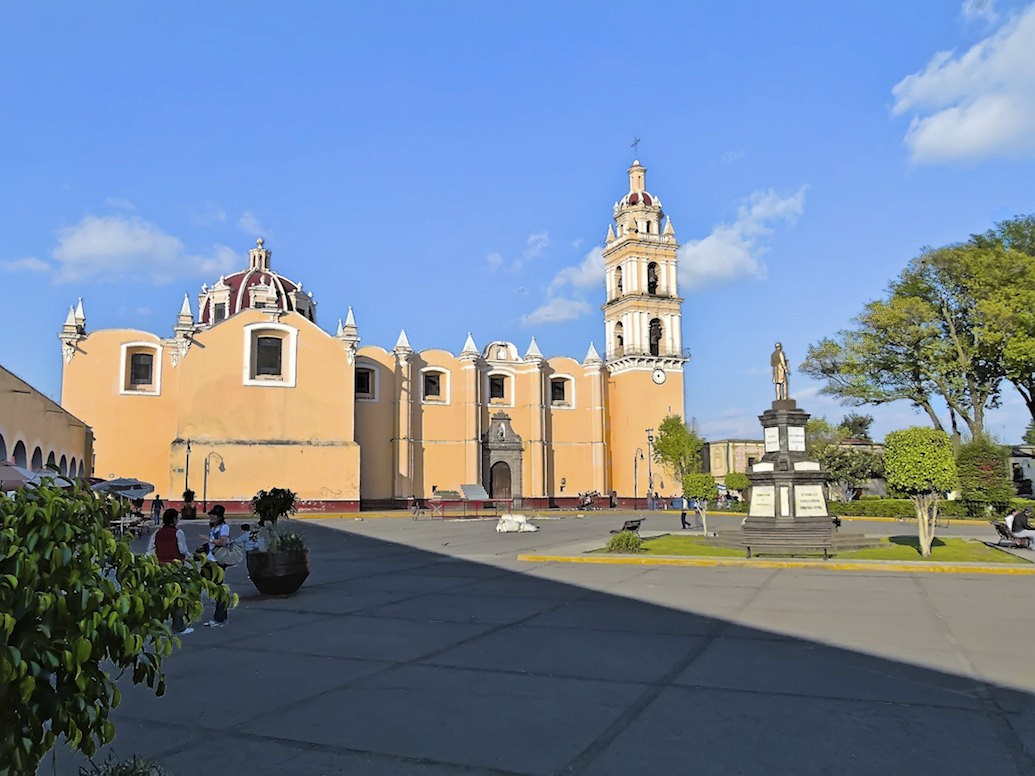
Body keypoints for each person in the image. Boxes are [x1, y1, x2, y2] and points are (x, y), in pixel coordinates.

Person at [146, 508, 193, 635]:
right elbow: (182, 550)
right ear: (174, 520)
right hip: (176, 568)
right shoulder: (178, 533)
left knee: (161, 597)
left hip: (161, 568)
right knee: (178, 597)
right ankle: (178, 626)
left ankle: (157, 625)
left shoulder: (157, 533)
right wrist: (192, 557)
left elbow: (150, 550)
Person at [198, 504, 232, 627]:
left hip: (217, 562)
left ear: (219, 517)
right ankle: (219, 616)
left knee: (217, 589)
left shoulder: (224, 527)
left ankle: (220, 617)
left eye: (214, 515)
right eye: (211, 515)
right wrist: (204, 547)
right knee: (201, 584)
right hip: (209, 560)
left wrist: (208, 540)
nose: (211, 517)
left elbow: (223, 542)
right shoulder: (215, 528)